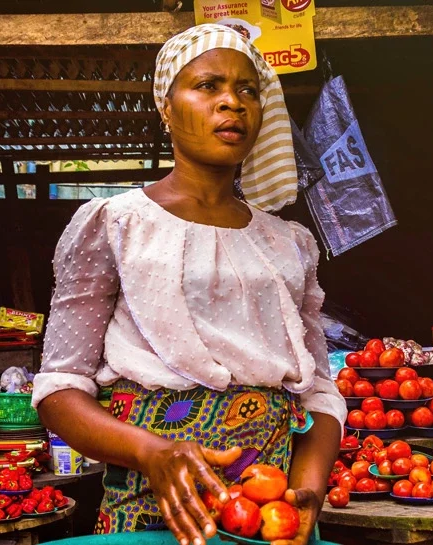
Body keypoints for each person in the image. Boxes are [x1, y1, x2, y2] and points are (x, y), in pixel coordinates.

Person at [33, 25, 346, 545]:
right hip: (151, 506)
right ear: (167, 106)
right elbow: (60, 389)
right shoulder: (114, 224)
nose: (233, 102)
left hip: (267, 515)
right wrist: (150, 452)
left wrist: (306, 492)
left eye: (249, 90)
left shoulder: (288, 243)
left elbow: (317, 392)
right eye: (208, 86)